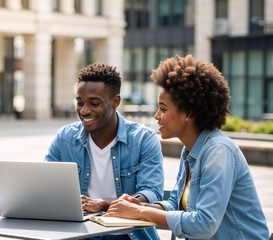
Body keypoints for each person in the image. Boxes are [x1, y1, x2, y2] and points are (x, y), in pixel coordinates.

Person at [105, 55, 269, 239]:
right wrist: (137, 206)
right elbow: (176, 204)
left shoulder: (218, 151)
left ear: (189, 113)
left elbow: (204, 224)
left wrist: (140, 213)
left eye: (163, 109)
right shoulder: (191, 151)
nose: (157, 116)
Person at [45, 63, 164, 240]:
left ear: (115, 101)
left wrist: (104, 205)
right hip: (80, 234)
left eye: (94, 103)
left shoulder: (143, 139)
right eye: (79, 103)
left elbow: (150, 193)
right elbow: (45, 186)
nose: (84, 110)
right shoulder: (65, 138)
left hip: (128, 236)